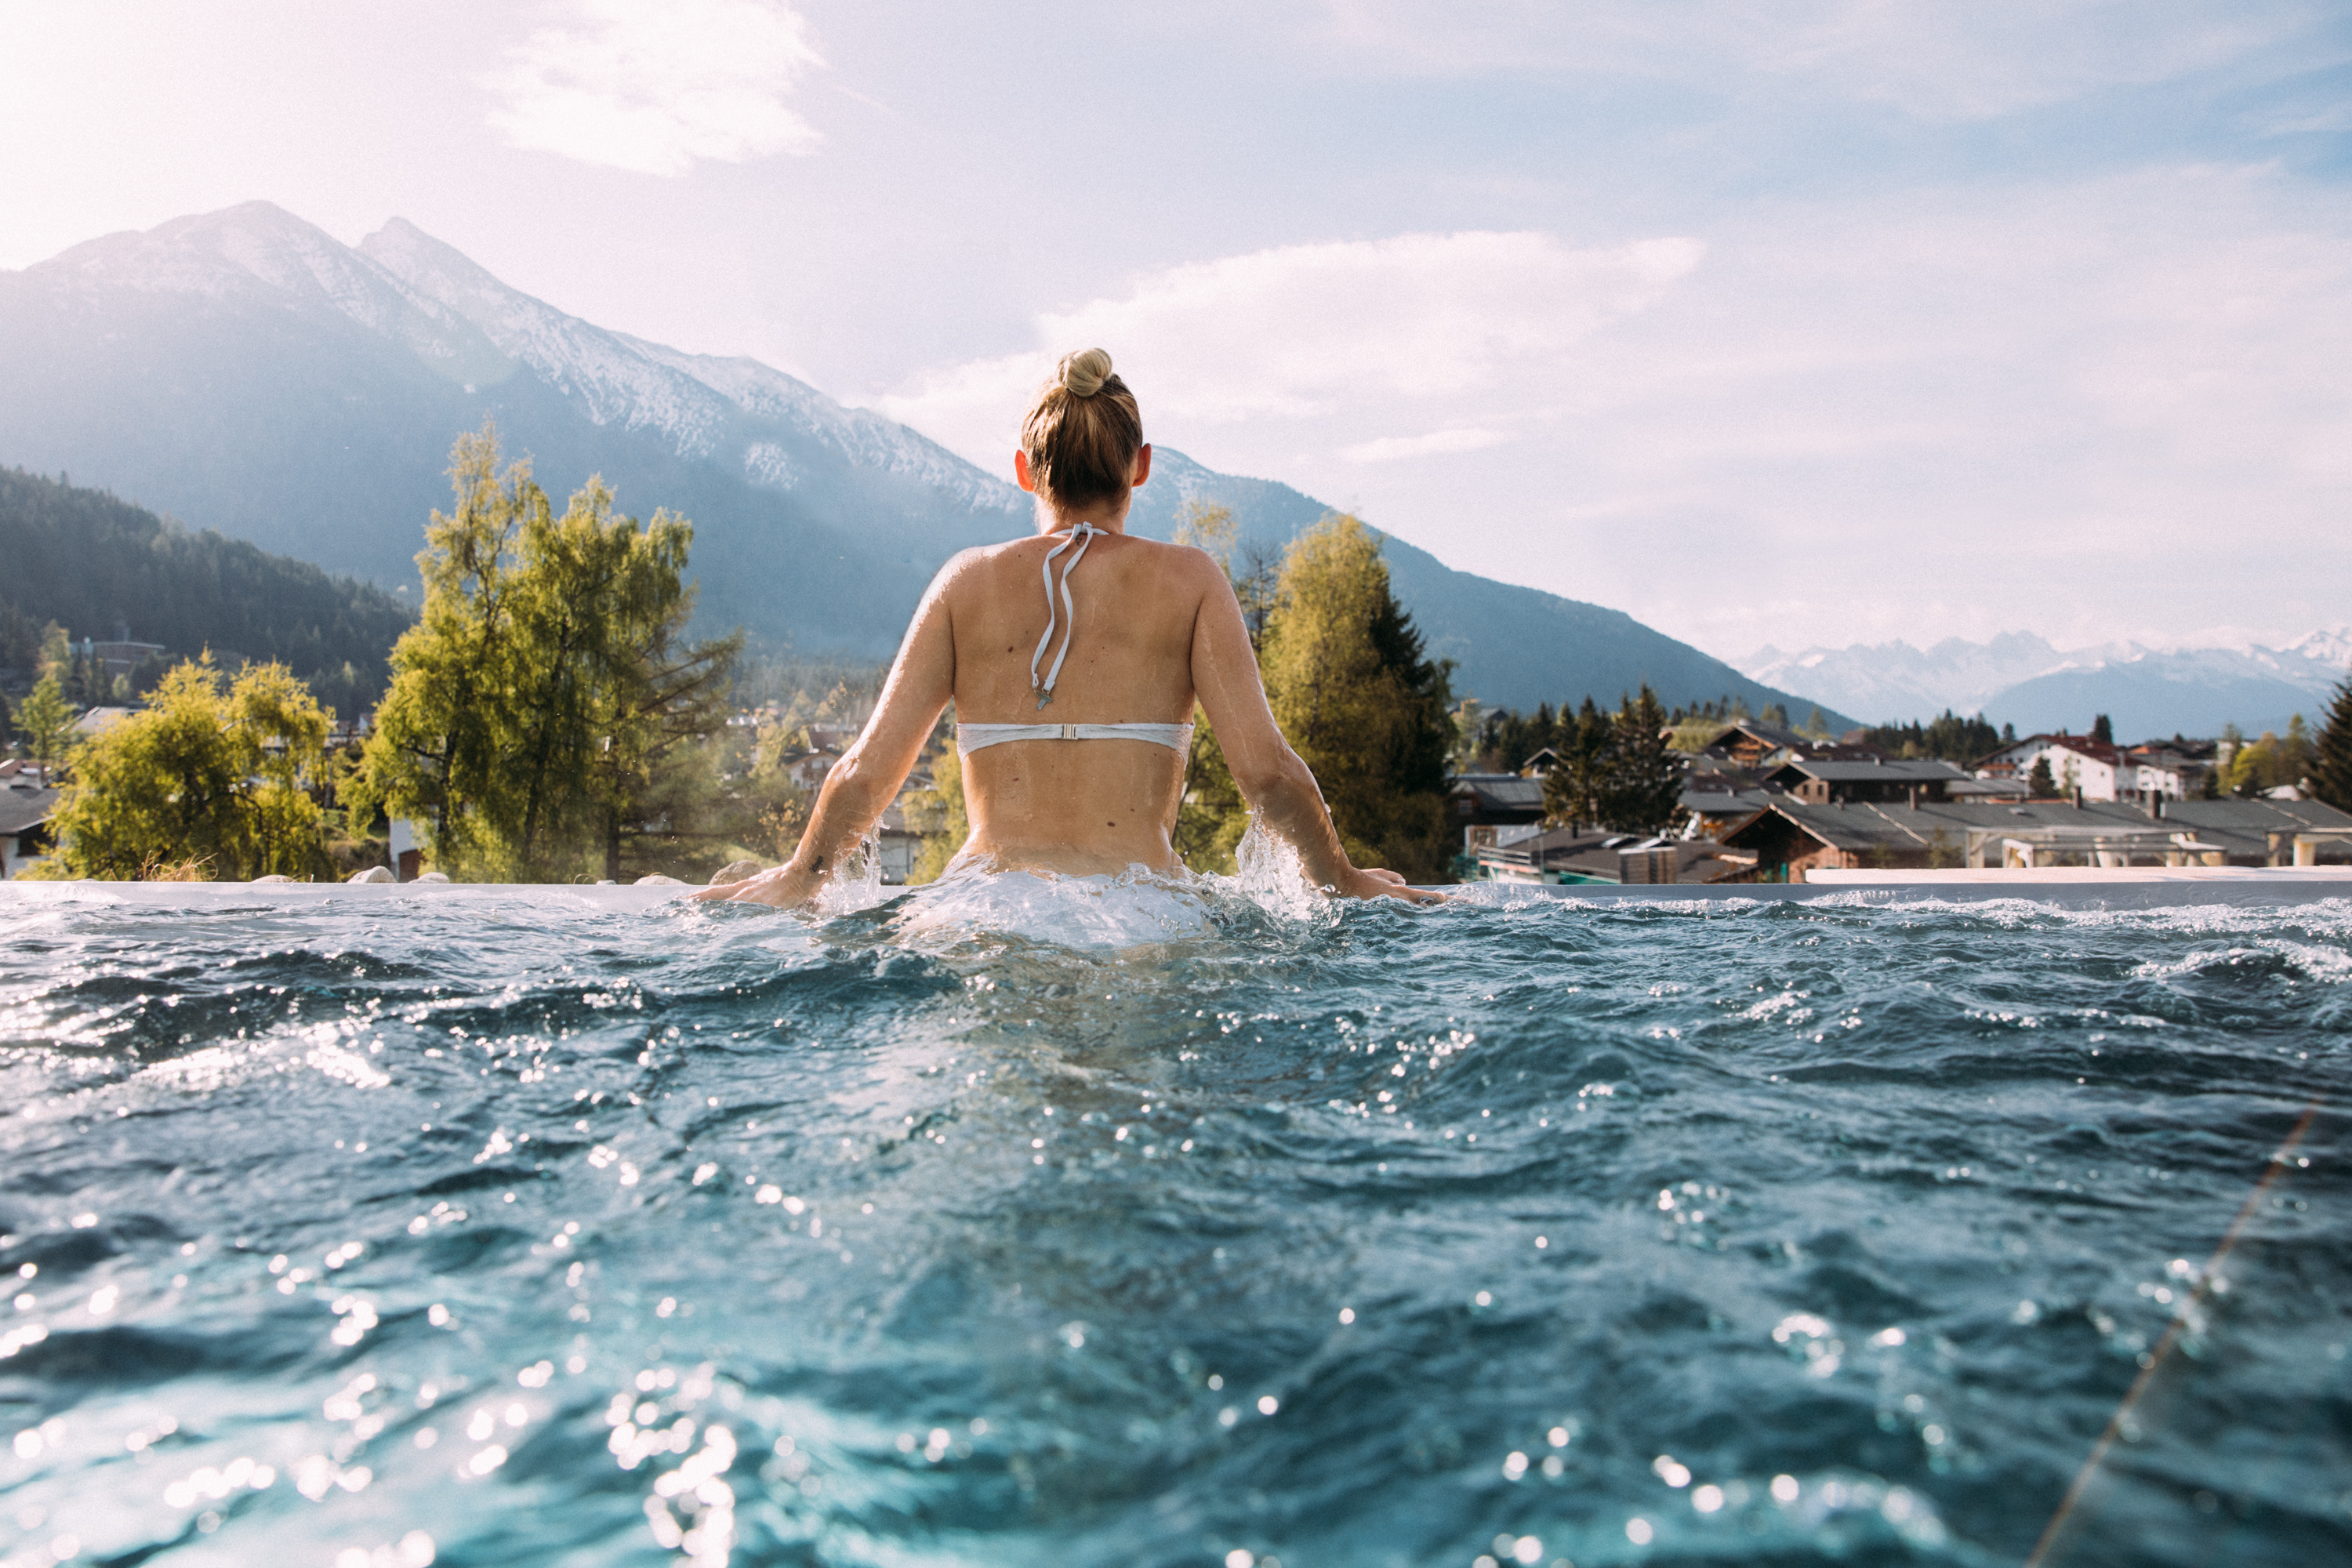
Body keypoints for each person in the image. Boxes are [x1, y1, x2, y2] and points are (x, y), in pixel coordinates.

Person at [698, 348, 1436, 908]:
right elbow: (1267, 774)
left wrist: (799, 878)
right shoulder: (1192, 581)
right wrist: (1340, 877)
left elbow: (865, 774)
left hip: (981, 911)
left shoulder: (965, 582)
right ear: (1140, 467)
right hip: (1142, 912)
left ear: (1025, 470)